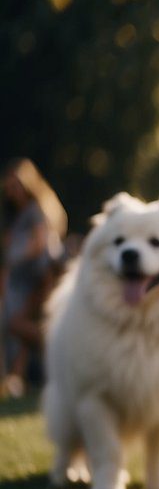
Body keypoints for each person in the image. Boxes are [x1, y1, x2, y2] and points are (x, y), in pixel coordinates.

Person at [2, 158, 67, 397]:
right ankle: (17, 380)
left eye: (16, 186)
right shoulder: (15, 214)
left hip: (40, 281)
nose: (11, 191)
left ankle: (63, 351)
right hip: (23, 283)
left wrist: (15, 255)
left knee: (18, 325)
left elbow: (41, 245)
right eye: (9, 187)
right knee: (23, 332)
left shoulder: (35, 210)